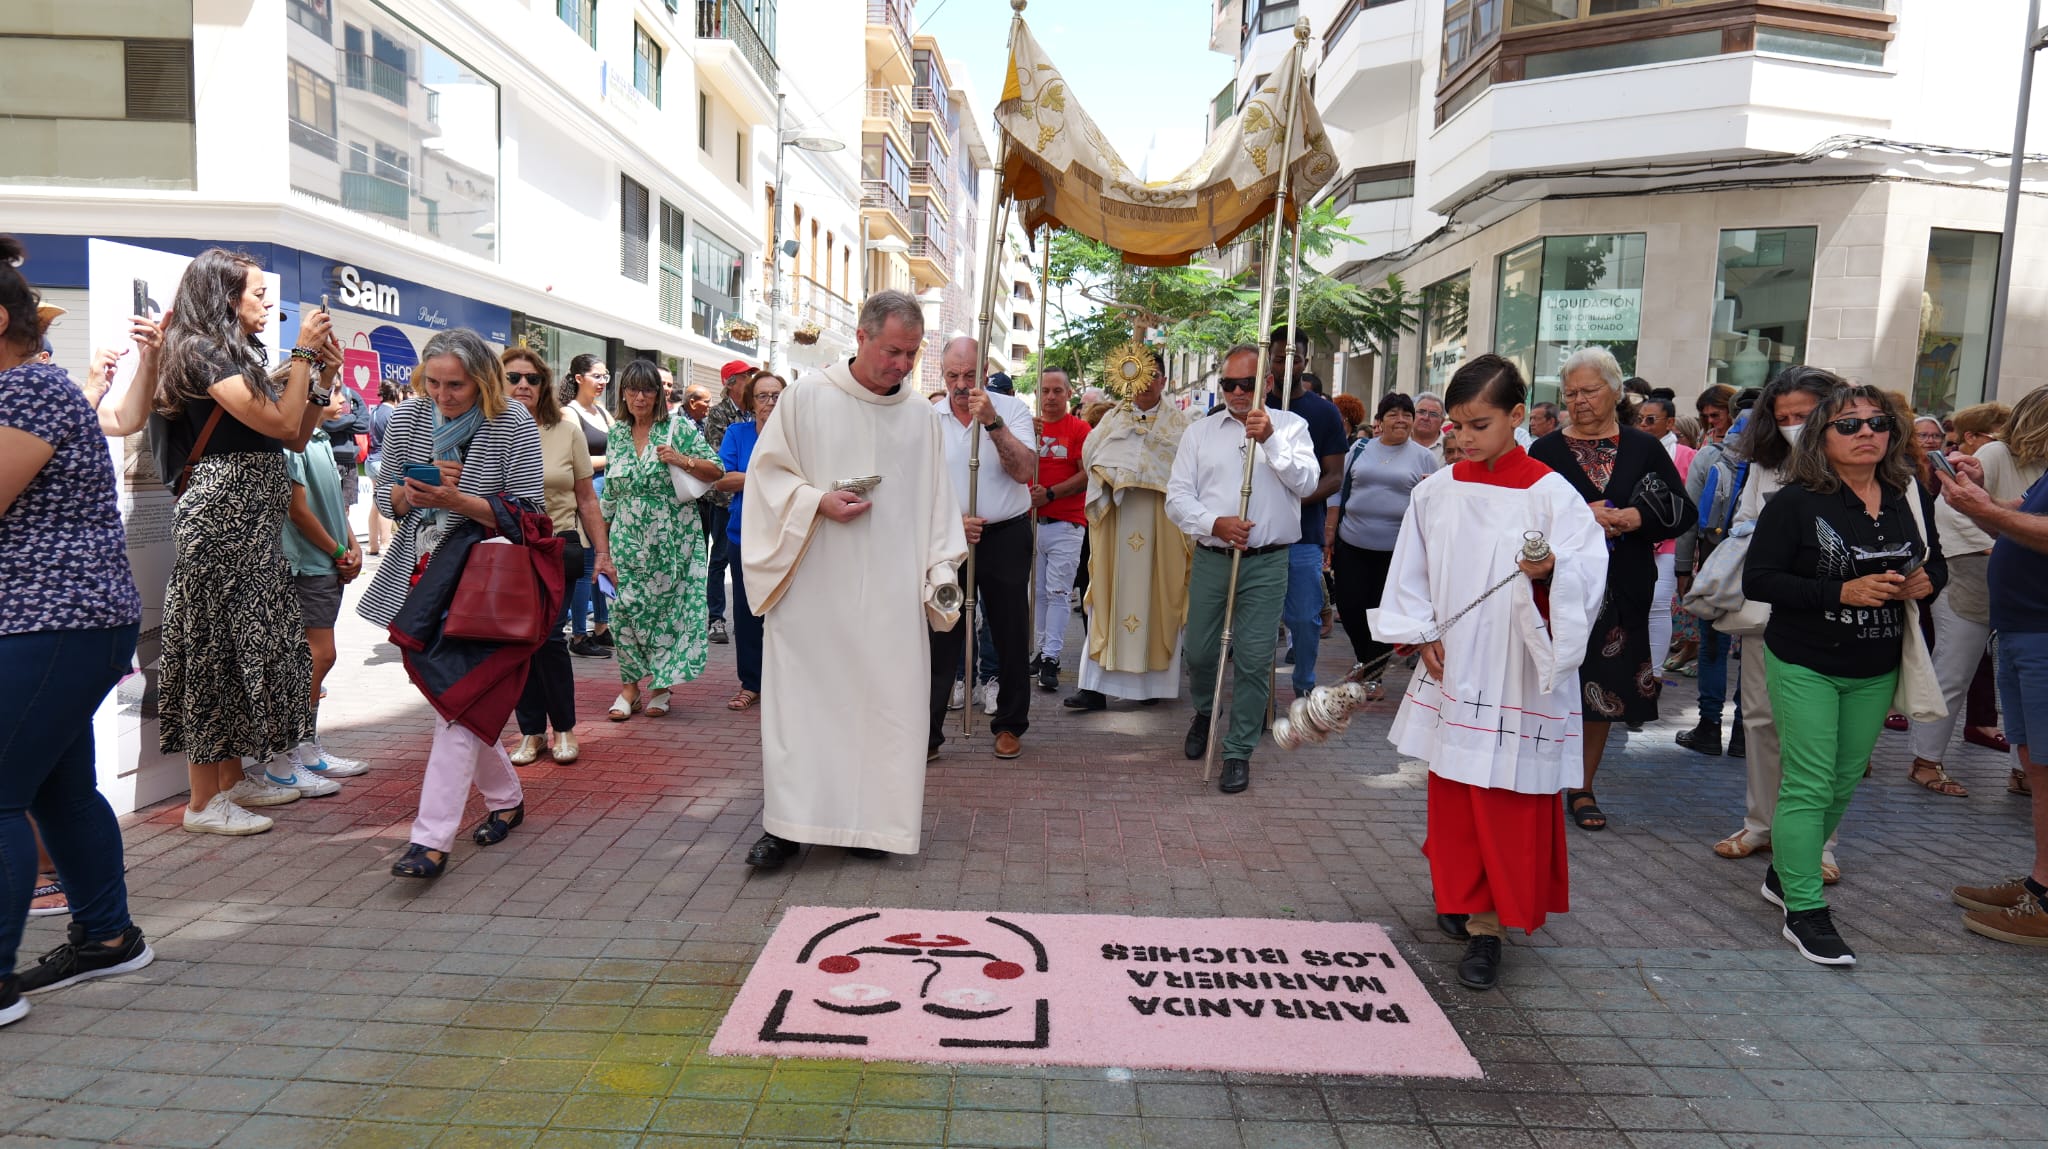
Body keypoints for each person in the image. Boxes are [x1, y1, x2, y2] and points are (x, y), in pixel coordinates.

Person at [1370, 353, 1607, 991]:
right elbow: (1410, 574)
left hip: (1517, 669)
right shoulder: (1434, 491)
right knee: (1453, 792)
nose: (1464, 438)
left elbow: (1588, 573)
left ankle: (1490, 925)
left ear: (1518, 416)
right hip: (1455, 664)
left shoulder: (1551, 494)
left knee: (1505, 796)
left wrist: (1552, 571)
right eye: (1456, 425)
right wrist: (1421, 636)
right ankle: (1460, 893)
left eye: (1479, 424)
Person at [740, 290, 966, 869]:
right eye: (893, 350)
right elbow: (765, 480)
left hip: (890, 600)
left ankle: (875, 828)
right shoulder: (807, 399)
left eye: (912, 354)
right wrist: (817, 500)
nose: (902, 365)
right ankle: (789, 827)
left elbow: (940, 504)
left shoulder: (920, 417)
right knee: (806, 710)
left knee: (886, 711)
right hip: (815, 590)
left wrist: (941, 572)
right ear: (861, 337)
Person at [0, 236, 155, 1026]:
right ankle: (106, 935)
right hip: (64, 618)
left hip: (50, 617)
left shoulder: (26, 393)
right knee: (57, 788)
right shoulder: (34, 390)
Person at [1744, 385, 1945, 964]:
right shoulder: (1796, 502)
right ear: (1820, 439)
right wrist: (1841, 591)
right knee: (1809, 782)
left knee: (1843, 779)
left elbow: (1934, 566)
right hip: (1805, 659)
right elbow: (1759, 581)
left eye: (1877, 423)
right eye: (1849, 426)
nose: (1868, 434)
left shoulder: (1906, 495)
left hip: (1876, 663)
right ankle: (1805, 911)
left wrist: (1929, 582)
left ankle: (1787, 873)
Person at [359, 329, 552, 879]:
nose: (443, 395)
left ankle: (430, 839)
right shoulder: (408, 419)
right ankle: (506, 799)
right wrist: (411, 494)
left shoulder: (512, 422)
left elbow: (530, 516)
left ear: (482, 380)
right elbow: (387, 500)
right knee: (453, 700)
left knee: (460, 696)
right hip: (419, 578)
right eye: (434, 383)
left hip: (484, 581)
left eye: (456, 386)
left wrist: (458, 498)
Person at [153, 250, 331, 835]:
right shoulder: (200, 351)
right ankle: (203, 803)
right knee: (210, 651)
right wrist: (303, 352)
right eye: (257, 293)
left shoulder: (235, 354)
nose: (268, 303)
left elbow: (298, 436)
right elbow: (281, 425)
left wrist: (321, 375)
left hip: (251, 526)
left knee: (240, 651)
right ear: (227, 297)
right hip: (219, 521)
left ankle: (231, 780)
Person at [1529, 347, 1694, 832]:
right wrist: (1586, 517)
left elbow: (1683, 510)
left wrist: (1638, 516)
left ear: (1616, 390)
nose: (1579, 401)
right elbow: (1526, 520)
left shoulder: (1644, 447)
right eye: (1571, 393)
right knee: (1550, 683)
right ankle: (1536, 780)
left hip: (1622, 586)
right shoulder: (1546, 451)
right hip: (1558, 589)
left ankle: (1581, 787)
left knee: (1600, 691)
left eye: (1590, 390)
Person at [1170, 344, 1320, 795]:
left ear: (1268, 384)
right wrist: (1215, 522)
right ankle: (1204, 709)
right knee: (1198, 651)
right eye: (1229, 384)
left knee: (1255, 658)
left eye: (1247, 384)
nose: (1237, 392)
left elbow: (1308, 483)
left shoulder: (1293, 427)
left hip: (1268, 560)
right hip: (1215, 556)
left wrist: (1271, 439)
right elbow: (1176, 498)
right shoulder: (1199, 433)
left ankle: (1237, 751)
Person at [1709, 369, 1842, 867]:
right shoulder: (1768, 462)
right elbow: (1743, 521)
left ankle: (1820, 845)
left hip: (1835, 613)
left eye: (1802, 416)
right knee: (1761, 719)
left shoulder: (1860, 460)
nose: (1791, 426)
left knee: (1819, 732)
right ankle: (1759, 824)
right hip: (1769, 609)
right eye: (1782, 417)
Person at [1939, 431, 2048, 944]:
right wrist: (1977, 500)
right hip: (2026, 629)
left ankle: (2046, 899)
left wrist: (1989, 510)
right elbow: (2017, 522)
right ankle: (2041, 883)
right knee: (2034, 759)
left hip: (2042, 633)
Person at [1911, 393, 2042, 796]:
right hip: (1969, 573)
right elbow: (1957, 507)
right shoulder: (1998, 453)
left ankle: (2025, 769)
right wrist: (1995, 542)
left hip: (2017, 586)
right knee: (1954, 666)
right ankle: (1926, 760)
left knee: (2016, 684)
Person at [1065, 360, 1196, 712]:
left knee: (1159, 596)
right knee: (1107, 595)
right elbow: (1091, 455)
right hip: (1117, 518)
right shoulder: (1112, 420)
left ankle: (1150, 685)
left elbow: (1186, 466)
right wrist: (1122, 455)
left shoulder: (1180, 425)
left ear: (1164, 380)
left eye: (1153, 376)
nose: (1146, 384)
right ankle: (1094, 689)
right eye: (1140, 376)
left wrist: (1146, 453)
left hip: (1162, 524)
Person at [930, 337, 1038, 760]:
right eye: (952, 376)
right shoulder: (926, 416)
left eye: (968, 376)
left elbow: (1023, 471)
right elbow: (916, 484)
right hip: (948, 538)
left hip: (1005, 533)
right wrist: (951, 523)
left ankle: (1010, 724)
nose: (960, 385)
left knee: (1009, 631)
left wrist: (993, 424)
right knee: (941, 628)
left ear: (984, 373)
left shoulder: (1012, 410)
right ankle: (930, 728)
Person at [504, 349, 611, 766]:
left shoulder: (566, 431)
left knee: (548, 639)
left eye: (532, 378)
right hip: (507, 549)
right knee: (521, 643)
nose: (523, 385)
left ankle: (563, 727)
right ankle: (531, 731)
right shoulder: (487, 429)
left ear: (544, 384)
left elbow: (587, 497)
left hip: (557, 545)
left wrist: (602, 553)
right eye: (513, 378)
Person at [600, 360, 720, 722]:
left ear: (659, 394)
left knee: (665, 615)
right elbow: (610, 494)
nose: (640, 397)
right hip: (625, 539)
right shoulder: (617, 433)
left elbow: (716, 471)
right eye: (633, 389)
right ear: (623, 393)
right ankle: (629, 687)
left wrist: (681, 459)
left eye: (648, 389)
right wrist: (600, 544)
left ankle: (662, 686)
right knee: (623, 612)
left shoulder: (678, 428)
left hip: (672, 541)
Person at [274, 387, 369, 795]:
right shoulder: (292, 443)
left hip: (328, 562)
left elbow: (334, 505)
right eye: (330, 389)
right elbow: (296, 510)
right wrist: (336, 550)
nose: (343, 396)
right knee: (316, 656)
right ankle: (287, 755)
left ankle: (307, 748)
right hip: (308, 564)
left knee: (317, 659)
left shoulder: (320, 437)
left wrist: (352, 545)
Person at [1327, 392, 1440, 701]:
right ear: (1379, 421)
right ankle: (1365, 658)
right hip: (1352, 541)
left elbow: (1433, 501)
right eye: (1393, 414)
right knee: (1350, 608)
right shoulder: (1360, 448)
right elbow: (1337, 489)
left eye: (1406, 414)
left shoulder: (1423, 457)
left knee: (1384, 611)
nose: (1400, 419)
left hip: (1398, 549)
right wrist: (1330, 529)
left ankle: (1373, 673)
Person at [1266, 329, 1347, 699]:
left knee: (1303, 616)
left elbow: (1334, 477)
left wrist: (1293, 501)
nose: (1286, 365)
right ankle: (1257, 693)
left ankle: (1304, 686)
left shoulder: (1323, 412)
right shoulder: (1251, 406)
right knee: (1257, 622)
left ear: (1304, 360)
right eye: (1279, 357)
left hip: (1303, 534)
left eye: (1293, 358)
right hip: (1258, 536)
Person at [713, 370, 784, 713]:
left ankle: (786, 681)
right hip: (745, 534)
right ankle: (751, 683)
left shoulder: (796, 435)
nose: (770, 402)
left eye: (777, 396)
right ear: (751, 401)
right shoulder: (737, 433)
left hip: (789, 536)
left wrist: (749, 478)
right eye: (763, 396)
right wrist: (768, 477)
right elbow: (722, 480)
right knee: (746, 609)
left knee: (787, 610)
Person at [1030, 369, 1091, 692]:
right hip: (1031, 523)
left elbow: (1087, 474)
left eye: (1057, 391)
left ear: (1068, 394)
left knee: (1057, 593)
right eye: (1045, 391)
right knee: (1038, 593)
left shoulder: (1080, 429)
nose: (1050, 397)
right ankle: (1041, 651)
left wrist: (1051, 493)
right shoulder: (1029, 427)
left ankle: (1052, 656)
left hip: (1066, 523)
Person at [700, 360, 756, 647]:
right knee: (720, 558)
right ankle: (716, 618)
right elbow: (719, 460)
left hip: (751, 499)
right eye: (746, 377)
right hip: (724, 499)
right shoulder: (719, 415)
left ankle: (746, 617)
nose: (751, 381)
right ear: (731, 382)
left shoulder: (752, 413)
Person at [563, 354, 615, 658]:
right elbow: (575, 461)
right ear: (579, 378)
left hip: (606, 496)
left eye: (605, 375)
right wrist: (613, 460)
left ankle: (601, 627)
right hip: (586, 496)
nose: (602, 382)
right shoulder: (569, 414)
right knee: (584, 567)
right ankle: (579, 636)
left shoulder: (602, 412)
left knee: (603, 561)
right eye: (597, 375)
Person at [366, 379, 403, 555]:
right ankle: (386, 544)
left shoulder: (374, 411)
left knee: (375, 503)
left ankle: (373, 544)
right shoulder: (392, 414)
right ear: (396, 394)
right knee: (385, 503)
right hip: (384, 462)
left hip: (371, 460)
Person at [321, 384, 367, 514]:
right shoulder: (321, 390)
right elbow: (326, 423)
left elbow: (364, 425)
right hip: (329, 459)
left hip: (349, 462)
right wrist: (352, 418)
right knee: (326, 509)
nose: (340, 399)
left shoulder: (351, 393)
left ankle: (342, 534)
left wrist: (340, 421)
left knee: (345, 510)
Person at [1413, 392, 1447, 460]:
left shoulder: (1451, 447)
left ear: (1442, 421)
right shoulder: (1399, 442)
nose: (1426, 418)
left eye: (1433, 414)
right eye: (1421, 412)